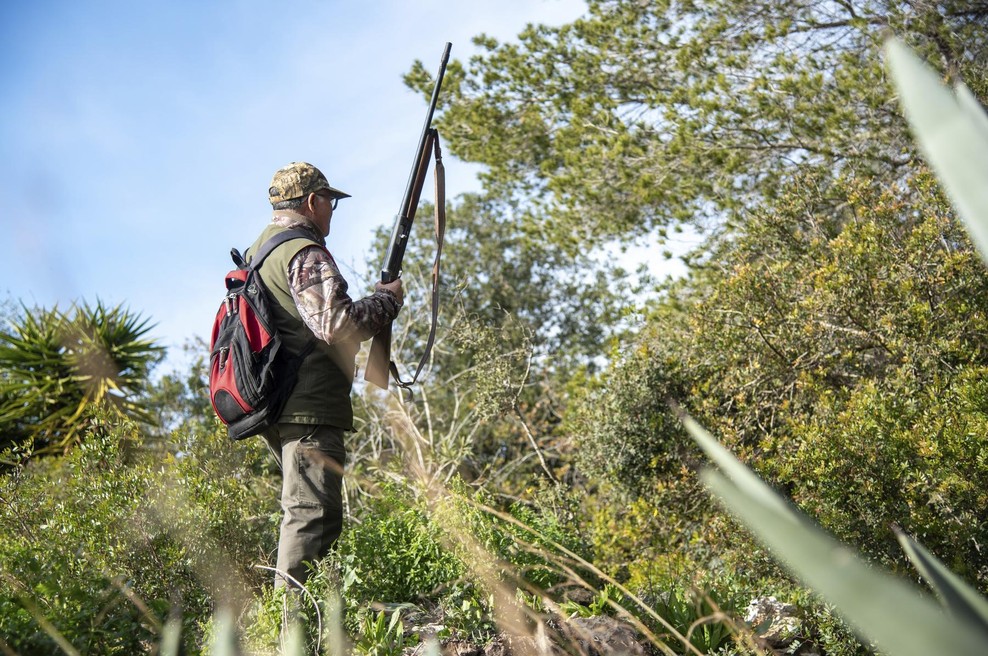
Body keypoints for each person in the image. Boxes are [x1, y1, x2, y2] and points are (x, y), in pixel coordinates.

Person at [246, 161, 403, 589]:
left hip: (281, 403)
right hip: (307, 407)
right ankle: (290, 623)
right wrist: (387, 302)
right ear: (313, 202)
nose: (332, 210)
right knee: (309, 515)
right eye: (330, 201)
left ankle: (313, 619)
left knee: (318, 515)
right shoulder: (303, 251)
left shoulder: (260, 250)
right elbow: (335, 325)